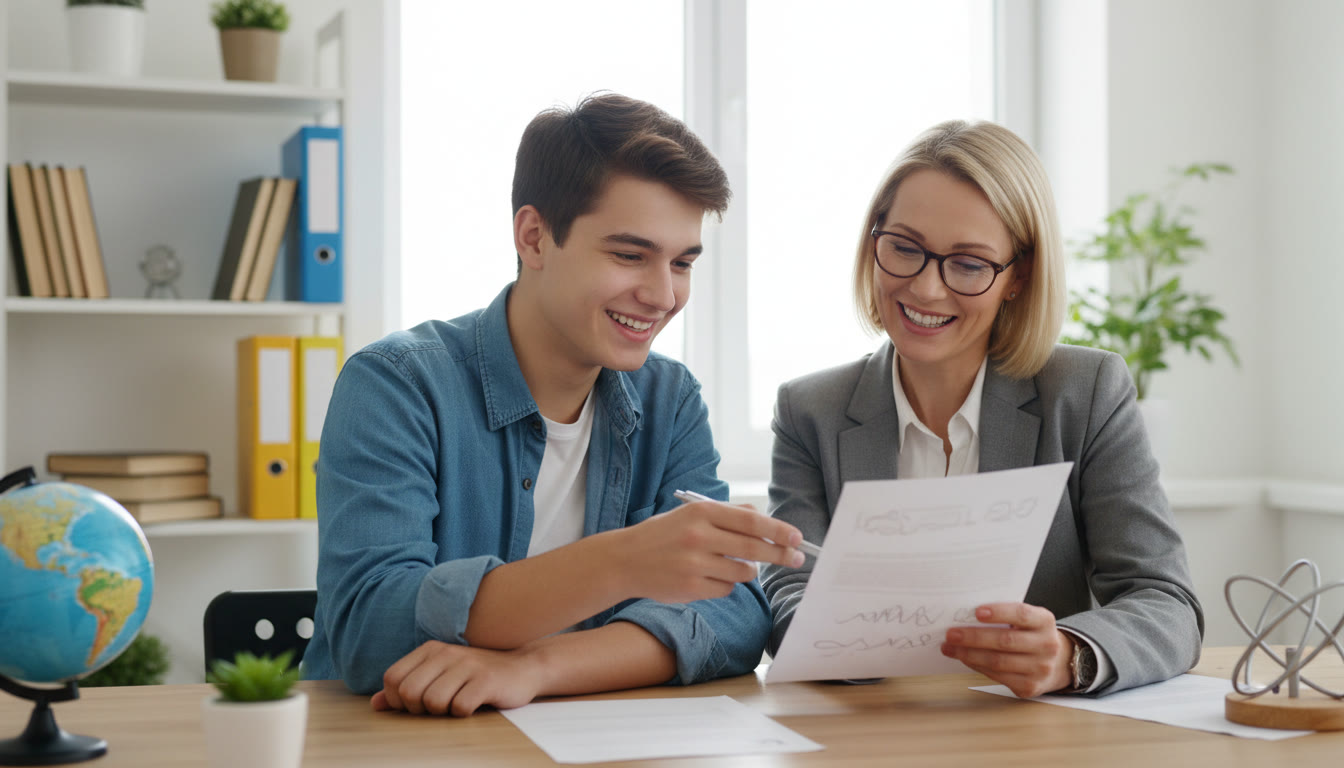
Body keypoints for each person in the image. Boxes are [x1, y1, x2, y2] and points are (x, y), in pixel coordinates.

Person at [302, 93, 807, 716]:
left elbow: (729, 618)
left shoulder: (670, 400)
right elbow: (369, 632)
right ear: (534, 237)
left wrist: (536, 668)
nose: (662, 294)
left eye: (682, 263)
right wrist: (622, 564)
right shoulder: (395, 385)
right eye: (629, 255)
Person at [760, 119, 1203, 698]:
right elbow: (788, 594)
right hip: (872, 730)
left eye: (967, 264)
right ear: (875, 241)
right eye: (905, 248)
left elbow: (1167, 603)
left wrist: (1067, 655)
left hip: (1032, 736)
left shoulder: (1085, 393)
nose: (925, 289)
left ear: (1017, 277)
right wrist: (854, 638)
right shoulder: (808, 410)